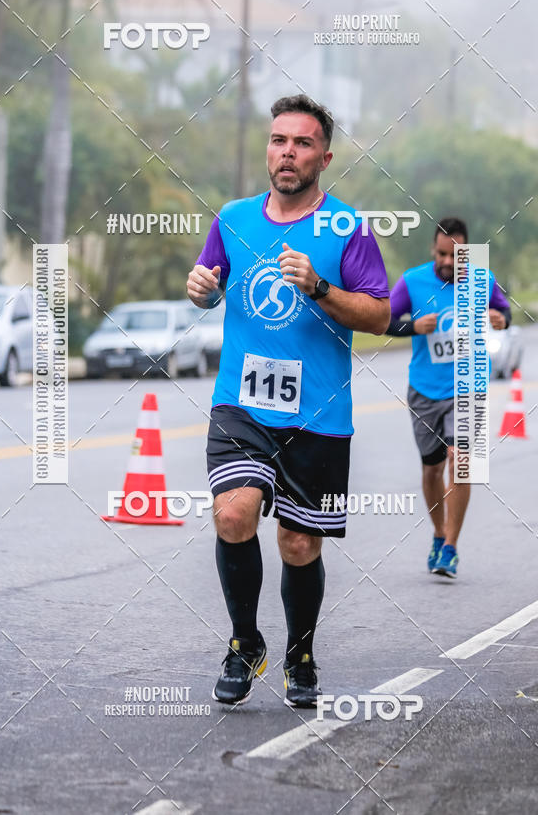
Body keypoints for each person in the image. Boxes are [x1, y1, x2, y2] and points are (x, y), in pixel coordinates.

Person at [186, 94, 390, 707]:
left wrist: (320, 286)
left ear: (324, 157)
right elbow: (209, 284)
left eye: (302, 144)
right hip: (242, 406)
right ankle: (246, 642)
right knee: (232, 514)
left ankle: (300, 652)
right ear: (268, 148)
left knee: (299, 544)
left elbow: (380, 313)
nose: (288, 153)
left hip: (319, 414)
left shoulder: (346, 227)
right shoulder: (233, 218)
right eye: (279, 140)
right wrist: (200, 290)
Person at [386, 217, 511, 578]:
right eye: (442, 254)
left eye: (456, 256)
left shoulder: (483, 280)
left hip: (469, 385)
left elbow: (505, 312)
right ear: (433, 250)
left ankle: (452, 548)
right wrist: (412, 326)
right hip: (425, 390)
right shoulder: (413, 281)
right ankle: (439, 535)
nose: (447, 261)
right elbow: (383, 320)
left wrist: (500, 318)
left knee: (461, 460)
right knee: (431, 469)